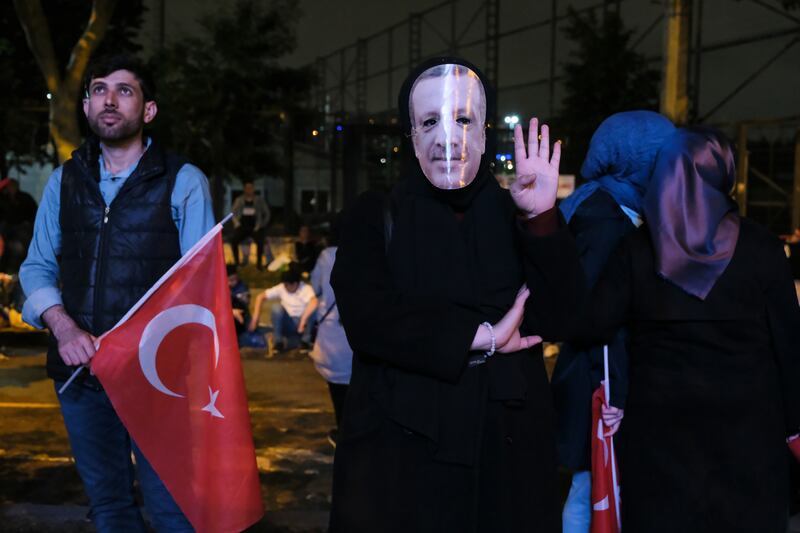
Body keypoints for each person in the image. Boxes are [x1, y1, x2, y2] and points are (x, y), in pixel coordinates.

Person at [328, 57, 581, 533]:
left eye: (463, 119)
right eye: (429, 121)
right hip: (402, 452)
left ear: (484, 133)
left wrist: (542, 219)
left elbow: (564, 315)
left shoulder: (518, 214)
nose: (447, 139)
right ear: (411, 135)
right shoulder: (377, 215)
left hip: (506, 454)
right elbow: (367, 318)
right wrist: (481, 336)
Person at [18, 53, 214, 532]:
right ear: (86, 106)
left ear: (148, 110)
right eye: (99, 89)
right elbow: (36, 266)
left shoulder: (184, 181)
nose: (109, 99)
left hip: (158, 380)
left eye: (125, 90)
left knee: (173, 512)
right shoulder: (64, 182)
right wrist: (63, 328)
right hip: (82, 376)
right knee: (109, 508)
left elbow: (198, 290)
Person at [571, 127, 800, 532]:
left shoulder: (637, 249)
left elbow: (592, 324)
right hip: (749, 446)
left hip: (659, 447)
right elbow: (790, 349)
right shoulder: (763, 249)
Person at [552, 110, 675, 532]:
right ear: (634, 162)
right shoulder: (605, 223)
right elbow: (600, 320)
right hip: (596, 384)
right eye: (661, 159)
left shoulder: (598, 203)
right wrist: (616, 395)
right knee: (593, 489)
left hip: (590, 378)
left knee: (592, 486)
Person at [309, 215, 352, 447]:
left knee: (337, 390)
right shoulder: (362, 252)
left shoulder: (326, 256)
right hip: (356, 333)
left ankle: (343, 431)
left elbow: (315, 286)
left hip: (331, 335)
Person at [249, 264, 318, 352]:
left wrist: (303, 321)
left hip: (303, 323)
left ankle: (305, 342)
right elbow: (260, 297)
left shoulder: (305, 288)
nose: (285, 287)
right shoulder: (281, 288)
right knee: (276, 308)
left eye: (287, 285)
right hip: (288, 322)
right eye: (284, 284)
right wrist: (255, 319)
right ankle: (278, 342)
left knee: (313, 310)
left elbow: (314, 302)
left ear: (295, 284)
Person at [0, 178, 39, 272]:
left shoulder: (25, 198)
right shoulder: (2, 199)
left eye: (12, 186)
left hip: (23, 229)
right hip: (6, 230)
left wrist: (28, 223)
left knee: (20, 244)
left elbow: (34, 213)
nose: (10, 188)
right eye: (8, 186)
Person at [230, 180, 270, 269]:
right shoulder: (239, 200)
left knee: (260, 241)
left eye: (251, 188)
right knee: (234, 241)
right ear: (244, 189)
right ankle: (237, 263)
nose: (249, 190)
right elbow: (233, 212)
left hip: (255, 227)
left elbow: (267, 213)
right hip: (242, 226)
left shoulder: (259, 200)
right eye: (247, 188)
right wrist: (236, 223)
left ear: (253, 189)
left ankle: (259, 264)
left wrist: (262, 224)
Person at [227, 264, 251, 338]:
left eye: (235, 279)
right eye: (230, 280)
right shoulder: (219, 285)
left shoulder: (242, 287)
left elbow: (244, 305)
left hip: (240, 316)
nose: (233, 282)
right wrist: (232, 311)